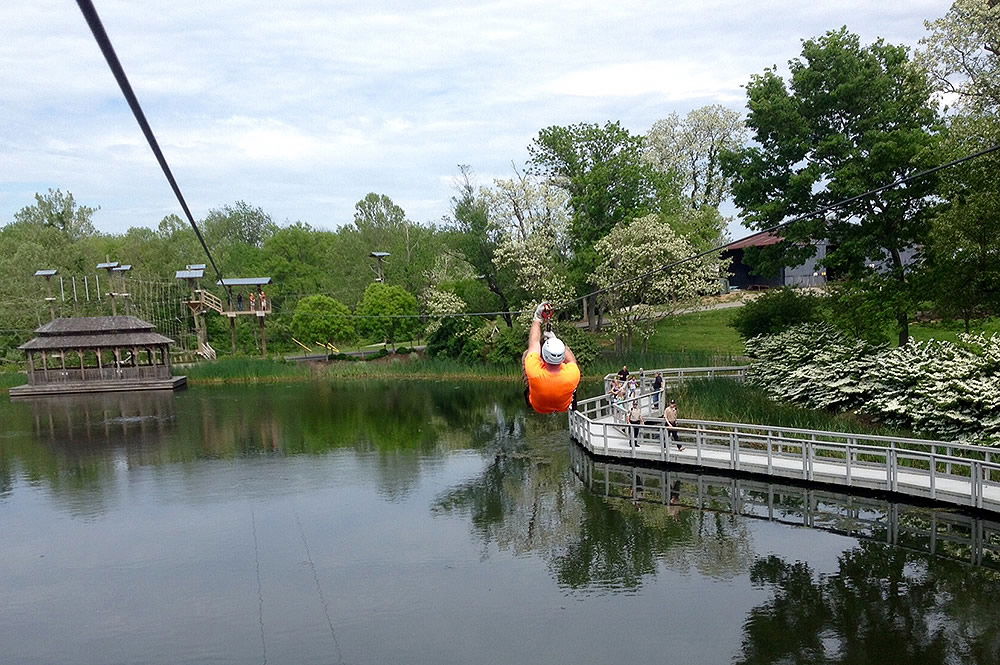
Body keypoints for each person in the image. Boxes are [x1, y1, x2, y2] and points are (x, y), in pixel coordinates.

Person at [522, 302, 580, 414]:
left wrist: (537, 318)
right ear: (562, 356)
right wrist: (555, 340)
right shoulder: (573, 375)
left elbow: (534, 343)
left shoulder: (535, 373)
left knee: (527, 355)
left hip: (539, 407)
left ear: (544, 354)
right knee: (571, 366)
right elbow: (572, 360)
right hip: (563, 406)